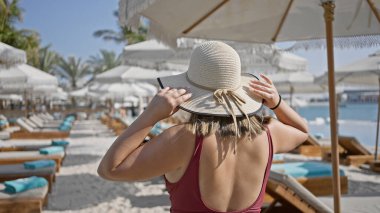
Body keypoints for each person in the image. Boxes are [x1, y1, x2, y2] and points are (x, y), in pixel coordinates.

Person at [98, 41, 308, 212]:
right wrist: (277, 102)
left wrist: (151, 115)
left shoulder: (181, 139)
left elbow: (110, 169)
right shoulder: (269, 134)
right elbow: (302, 131)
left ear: (192, 91)